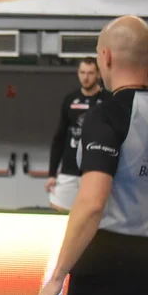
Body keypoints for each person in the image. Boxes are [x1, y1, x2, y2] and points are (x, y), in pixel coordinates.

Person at [36, 15, 148, 295]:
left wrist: (57, 275)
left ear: (104, 58)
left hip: (107, 275)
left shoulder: (107, 115)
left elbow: (90, 205)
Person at [46, 57, 110, 213]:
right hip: (69, 169)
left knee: (95, 215)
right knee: (57, 212)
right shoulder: (70, 100)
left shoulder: (108, 101)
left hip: (95, 170)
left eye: (90, 73)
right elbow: (59, 137)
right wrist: (52, 173)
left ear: (99, 75)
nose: (85, 77)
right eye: (82, 72)